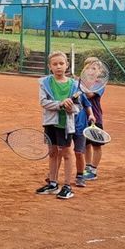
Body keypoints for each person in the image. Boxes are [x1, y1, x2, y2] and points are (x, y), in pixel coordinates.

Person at [36, 50, 79, 200]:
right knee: (53, 152)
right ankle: (53, 183)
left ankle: (67, 186)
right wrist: (60, 104)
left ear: (67, 65)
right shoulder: (45, 83)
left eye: (61, 63)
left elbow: (77, 108)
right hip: (50, 123)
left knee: (66, 153)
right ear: (50, 67)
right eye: (55, 64)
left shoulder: (74, 85)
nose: (58, 66)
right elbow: (43, 102)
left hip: (66, 125)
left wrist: (70, 107)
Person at [80, 56, 106, 181]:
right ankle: (88, 167)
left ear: (100, 71)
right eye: (88, 68)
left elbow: (89, 95)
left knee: (96, 145)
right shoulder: (80, 82)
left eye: (94, 68)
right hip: (82, 118)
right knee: (86, 144)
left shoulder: (100, 84)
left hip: (95, 118)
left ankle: (94, 170)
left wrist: (79, 86)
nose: (91, 70)